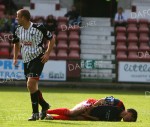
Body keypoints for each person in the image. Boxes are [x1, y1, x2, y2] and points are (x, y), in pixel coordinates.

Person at [12, 9, 55, 121]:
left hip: (38, 58)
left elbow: (52, 39)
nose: (16, 18)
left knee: (30, 84)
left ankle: (35, 113)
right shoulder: (17, 30)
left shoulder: (39, 28)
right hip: (26, 60)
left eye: (18, 16)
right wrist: (15, 57)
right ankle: (45, 106)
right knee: (32, 87)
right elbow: (16, 43)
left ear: (24, 18)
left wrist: (47, 54)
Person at [46, 96, 137, 122]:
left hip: (91, 115)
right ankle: (46, 111)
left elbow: (99, 120)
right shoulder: (119, 104)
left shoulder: (116, 120)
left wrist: (88, 115)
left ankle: (51, 117)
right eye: (131, 118)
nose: (130, 121)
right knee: (72, 113)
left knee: (75, 118)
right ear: (129, 112)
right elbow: (102, 100)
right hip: (92, 104)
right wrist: (90, 108)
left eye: (132, 121)